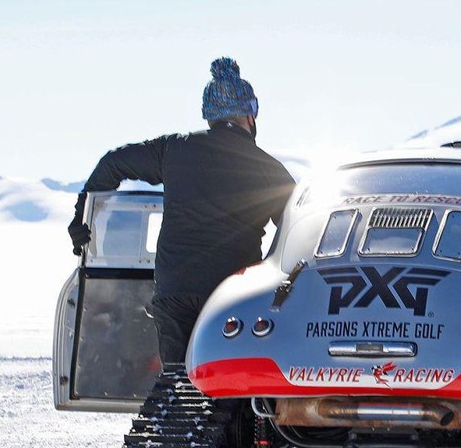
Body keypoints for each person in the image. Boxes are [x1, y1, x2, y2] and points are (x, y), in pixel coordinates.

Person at [68, 57, 296, 366]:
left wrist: (83, 219)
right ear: (250, 115)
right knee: (226, 387)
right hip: (231, 294)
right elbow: (297, 228)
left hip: (174, 291)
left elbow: (113, 163)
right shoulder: (268, 168)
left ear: (209, 115)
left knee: (177, 383)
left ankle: (174, 408)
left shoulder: (174, 149)